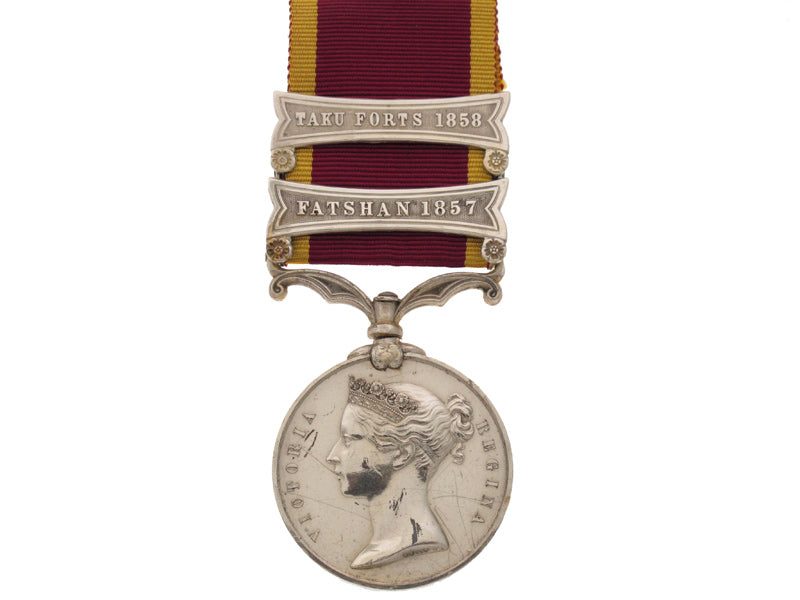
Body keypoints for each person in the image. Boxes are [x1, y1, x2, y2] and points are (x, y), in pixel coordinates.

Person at [326, 376, 475, 569]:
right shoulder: (381, 546)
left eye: (348, 440)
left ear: (401, 455)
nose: (332, 456)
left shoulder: (418, 540)